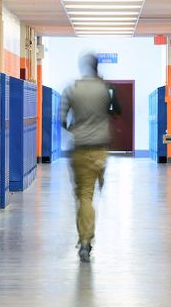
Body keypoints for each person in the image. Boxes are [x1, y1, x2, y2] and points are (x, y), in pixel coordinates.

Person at [61, 53, 121, 262]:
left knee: (83, 196)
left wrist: (75, 128)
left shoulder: (72, 88)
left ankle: (84, 240)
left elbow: (61, 119)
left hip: (79, 148)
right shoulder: (106, 88)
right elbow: (116, 111)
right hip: (99, 151)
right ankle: (86, 239)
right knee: (89, 194)